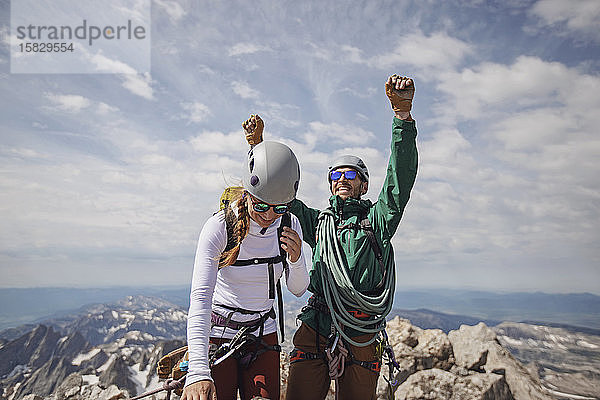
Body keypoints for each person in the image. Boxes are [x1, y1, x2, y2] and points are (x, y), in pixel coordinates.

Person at [243, 74, 418, 400]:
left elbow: (399, 183)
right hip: (317, 322)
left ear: (363, 185)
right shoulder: (319, 222)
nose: (341, 179)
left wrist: (402, 119)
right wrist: (257, 147)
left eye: (350, 174)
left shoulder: (376, 222)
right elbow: (279, 197)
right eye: (335, 175)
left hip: (361, 329)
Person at [181, 139, 310, 400]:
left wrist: (296, 259)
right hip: (219, 335)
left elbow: (298, 289)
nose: (269, 215)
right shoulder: (219, 227)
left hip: (262, 334)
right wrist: (197, 371)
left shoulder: (290, 223)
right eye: (261, 205)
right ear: (246, 192)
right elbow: (201, 298)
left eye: (280, 207)